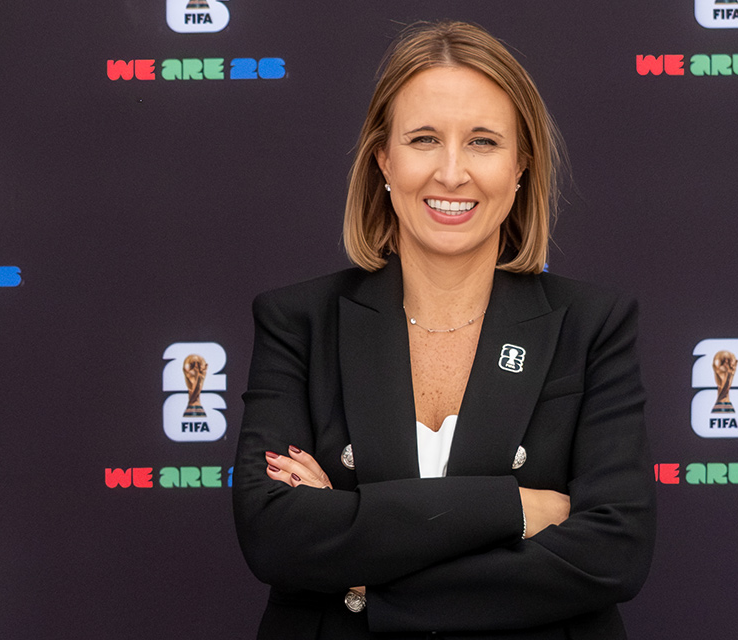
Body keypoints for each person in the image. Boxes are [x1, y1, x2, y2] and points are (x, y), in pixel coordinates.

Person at [233, 20, 655, 640]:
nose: (451, 173)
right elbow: (276, 537)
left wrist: (360, 574)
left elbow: (613, 553)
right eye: (424, 139)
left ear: (520, 167)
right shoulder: (298, 322)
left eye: (483, 142)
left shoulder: (593, 326)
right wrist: (517, 507)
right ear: (383, 158)